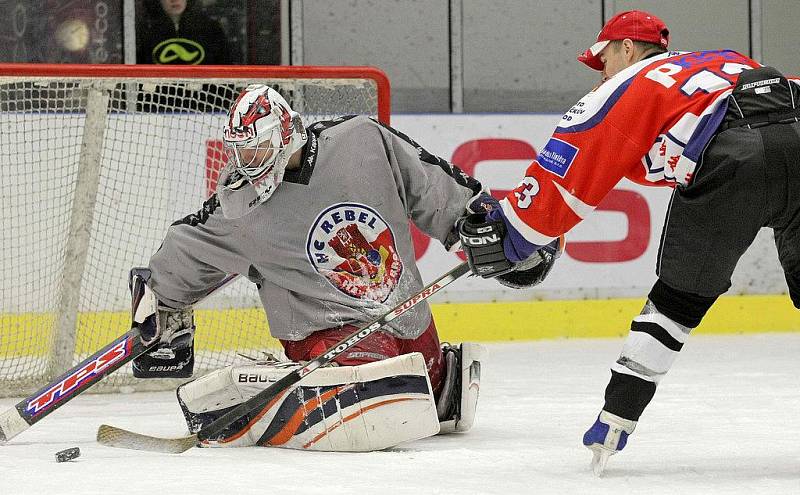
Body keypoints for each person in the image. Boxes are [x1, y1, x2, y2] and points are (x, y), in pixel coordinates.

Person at [458, 9, 800, 475]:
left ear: (627, 48)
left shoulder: (631, 80)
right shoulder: (722, 59)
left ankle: (616, 417)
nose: (600, 73)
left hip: (735, 158)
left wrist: (516, 232)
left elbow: (575, 157)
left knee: (678, 301)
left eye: (602, 60)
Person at [128, 83, 551, 451]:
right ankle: (285, 392)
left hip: (406, 314)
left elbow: (432, 186)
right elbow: (188, 244)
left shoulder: (363, 140)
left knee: (430, 389)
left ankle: (332, 386)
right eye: (241, 151)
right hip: (324, 329)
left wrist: (490, 231)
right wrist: (157, 299)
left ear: (286, 130)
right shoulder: (239, 206)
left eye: (256, 146)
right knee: (378, 382)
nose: (247, 161)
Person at [136, 0, 231, 65]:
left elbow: (226, 67)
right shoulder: (144, 30)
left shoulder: (210, 27)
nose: (174, 0)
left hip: (204, 94)